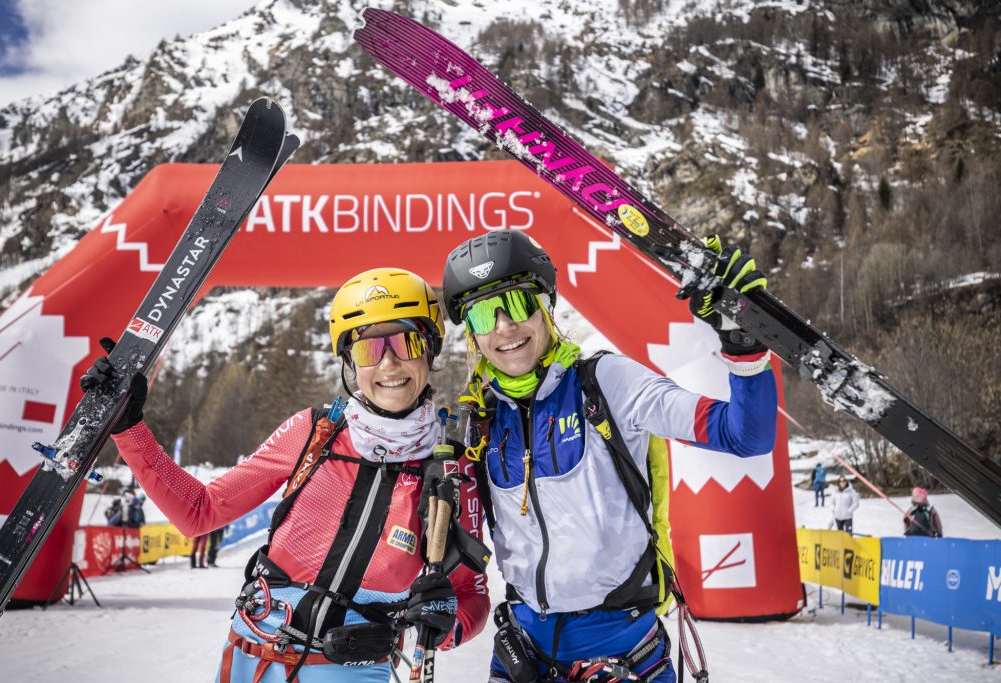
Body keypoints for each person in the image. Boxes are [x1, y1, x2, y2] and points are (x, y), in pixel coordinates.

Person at [80, 268, 490, 683]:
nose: (388, 363)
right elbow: (199, 511)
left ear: (430, 350)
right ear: (349, 361)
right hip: (252, 655)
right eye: (368, 349)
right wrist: (129, 427)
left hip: (351, 669)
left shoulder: (451, 471)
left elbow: (471, 594)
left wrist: (443, 625)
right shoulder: (314, 432)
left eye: (406, 343)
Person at [441, 231, 778, 683]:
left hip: (623, 652)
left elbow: (745, 435)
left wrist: (744, 346)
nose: (503, 327)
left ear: (544, 306)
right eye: (483, 314)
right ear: (473, 334)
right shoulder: (479, 419)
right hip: (524, 655)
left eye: (517, 304)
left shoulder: (606, 383)